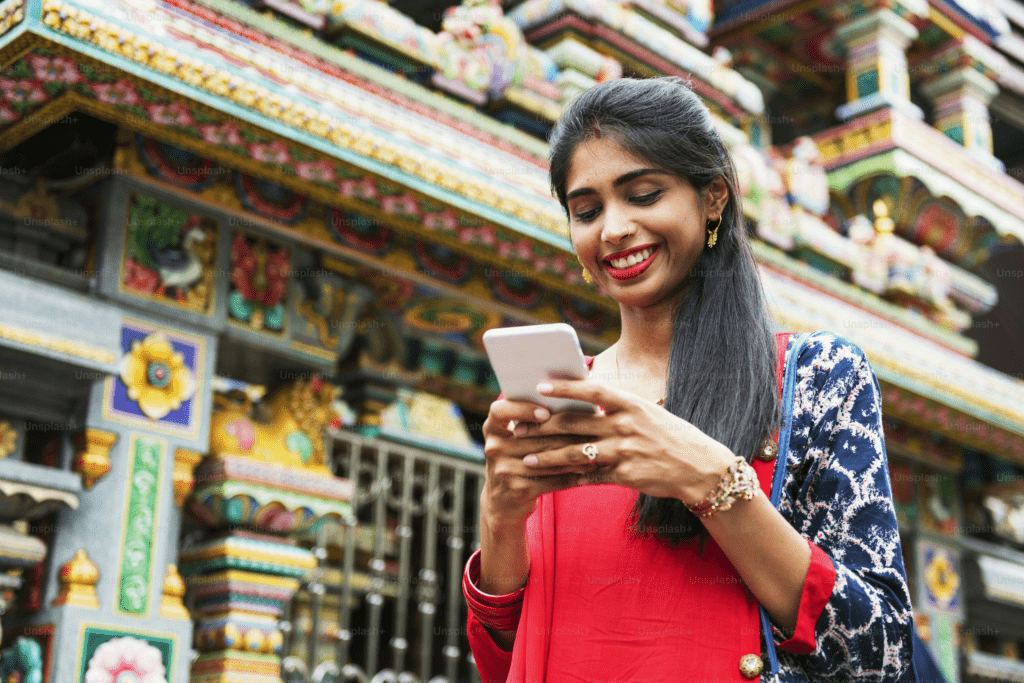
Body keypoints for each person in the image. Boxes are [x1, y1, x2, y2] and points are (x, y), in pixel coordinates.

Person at [463, 76, 915, 683]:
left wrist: (713, 482)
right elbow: (505, 663)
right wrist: (501, 518)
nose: (613, 229)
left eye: (644, 195)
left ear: (713, 198)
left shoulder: (816, 379)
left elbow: (879, 652)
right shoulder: (560, 398)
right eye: (587, 211)